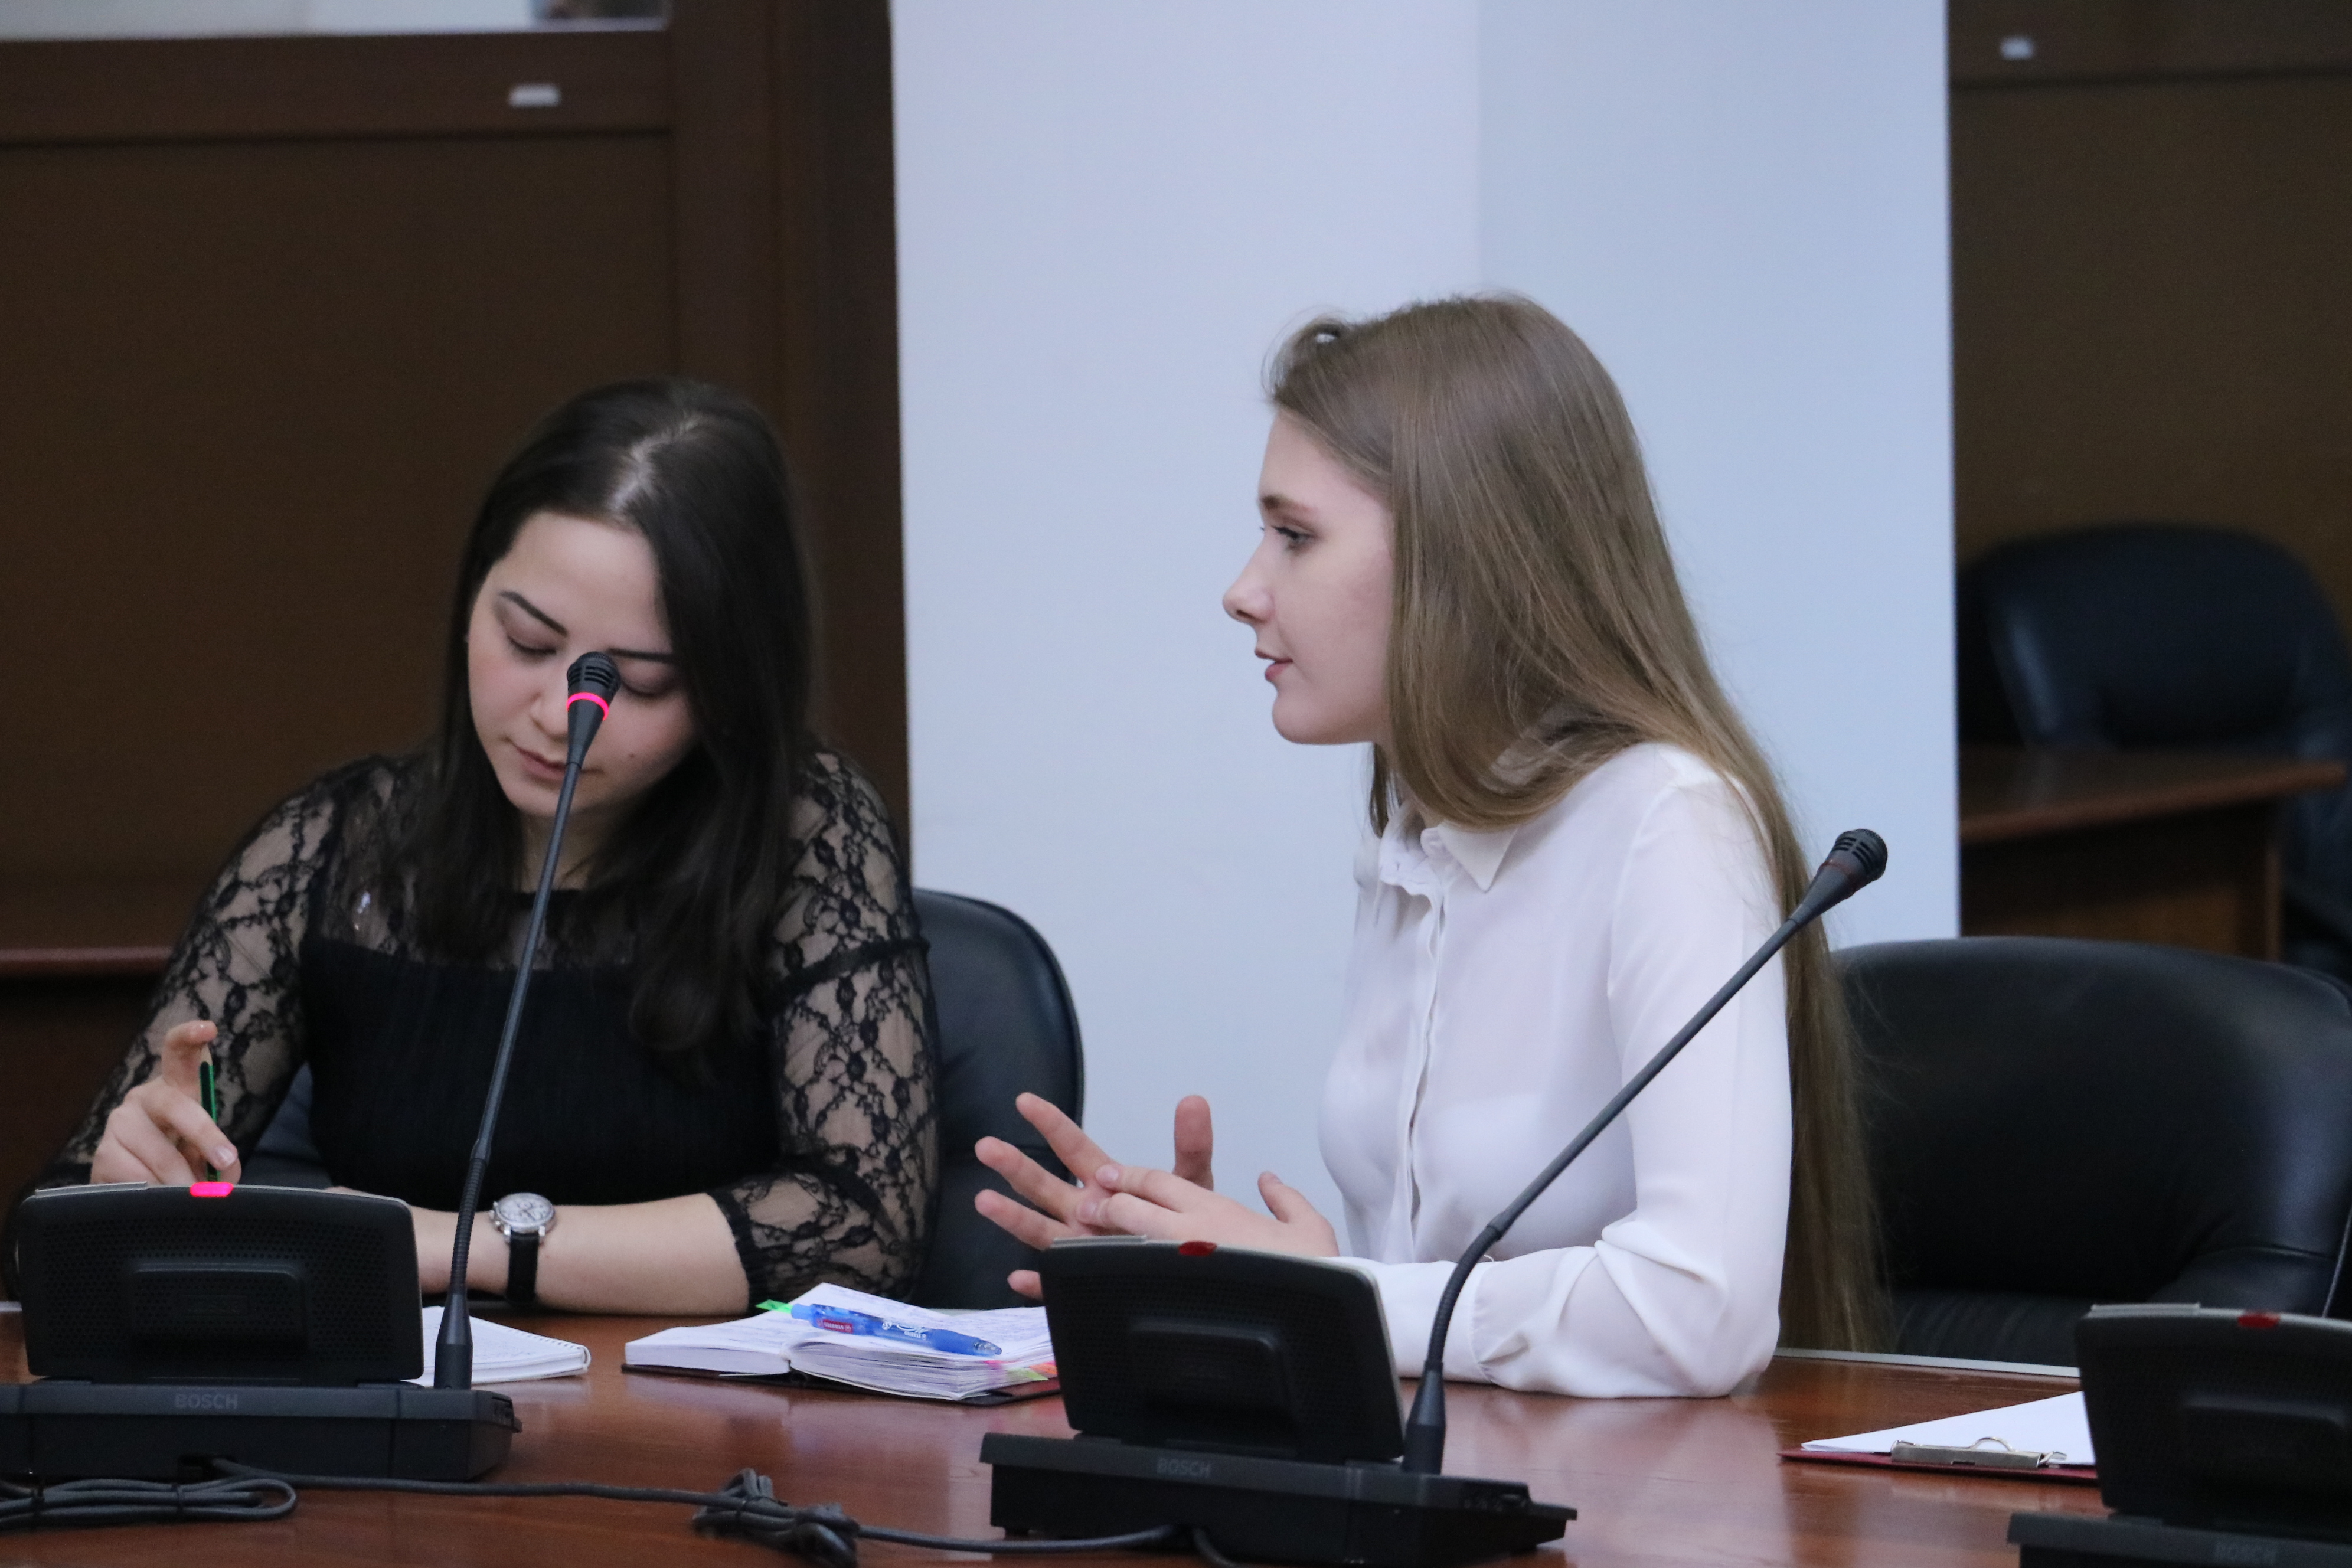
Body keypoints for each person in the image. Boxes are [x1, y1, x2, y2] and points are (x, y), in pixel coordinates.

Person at [974, 296, 1883, 1397]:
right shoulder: (1419, 822)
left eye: (1295, 536)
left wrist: (1324, 1297)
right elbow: (1419, 1296)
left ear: (1464, 559)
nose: (1243, 591)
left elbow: (1698, 1311)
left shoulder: (1668, 824)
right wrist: (1198, 1275)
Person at [7, 380, 937, 1315]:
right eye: (526, 640)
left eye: (639, 681)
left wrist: (465, 1245)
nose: (560, 714)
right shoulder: (332, 850)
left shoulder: (804, 833)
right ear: (472, 598)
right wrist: (123, 1192)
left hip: (700, 1402)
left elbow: (861, 1234)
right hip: (407, 1397)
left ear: (731, 685)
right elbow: (41, 1248)